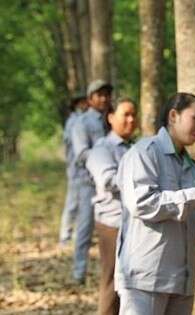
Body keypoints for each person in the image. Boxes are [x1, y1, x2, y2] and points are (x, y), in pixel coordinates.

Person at [115, 93, 195, 315]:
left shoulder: (191, 166)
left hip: (181, 278)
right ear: (174, 115)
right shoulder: (144, 153)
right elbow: (142, 203)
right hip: (145, 278)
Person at [86, 97, 137, 315]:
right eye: (125, 114)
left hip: (135, 223)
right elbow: (107, 180)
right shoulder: (101, 148)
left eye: (133, 115)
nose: (131, 120)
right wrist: (141, 182)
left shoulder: (137, 148)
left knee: (131, 283)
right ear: (110, 117)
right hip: (112, 223)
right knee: (111, 280)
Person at [70, 79, 113, 284]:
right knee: (85, 228)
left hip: (112, 184)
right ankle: (79, 273)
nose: (104, 98)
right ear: (90, 99)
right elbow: (81, 153)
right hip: (88, 183)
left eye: (107, 94)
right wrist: (103, 160)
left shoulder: (111, 119)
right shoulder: (82, 123)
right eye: (99, 95)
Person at [59, 95, 88, 246]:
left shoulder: (82, 119)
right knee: (72, 204)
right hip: (75, 169)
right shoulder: (74, 121)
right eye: (81, 102)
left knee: (81, 204)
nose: (84, 104)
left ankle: (76, 235)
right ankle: (65, 237)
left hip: (81, 170)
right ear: (76, 104)